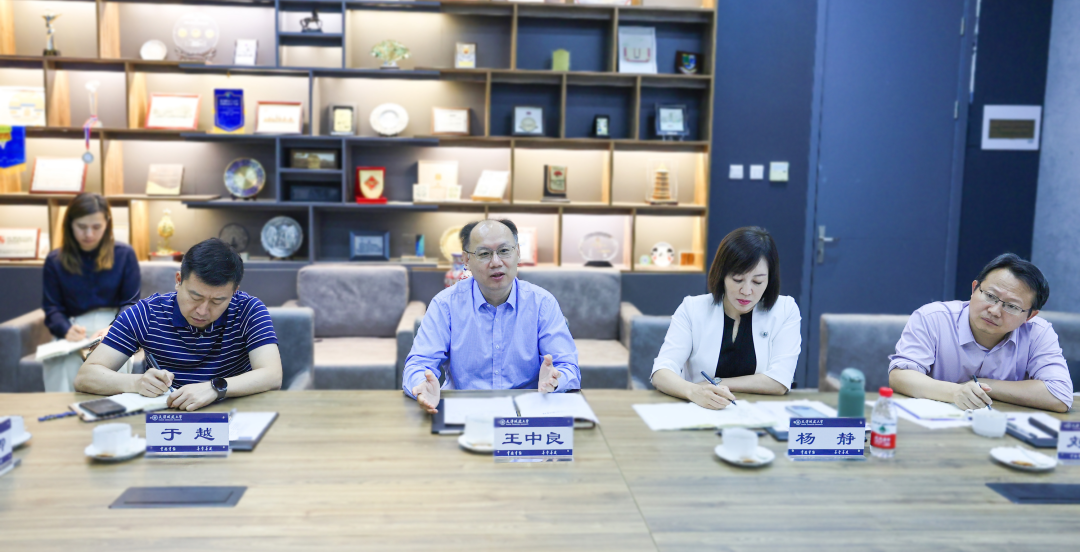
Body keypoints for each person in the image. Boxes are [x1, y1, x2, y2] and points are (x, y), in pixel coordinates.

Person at [75, 238, 282, 411]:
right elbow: (85, 376)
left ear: (234, 292)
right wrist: (136, 382)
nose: (202, 310)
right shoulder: (147, 313)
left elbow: (272, 375)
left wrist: (215, 388)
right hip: (168, 418)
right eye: (195, 297)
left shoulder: (249, 310)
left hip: (233, 414)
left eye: (217, 301)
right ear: (178, 280)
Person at [403, 219, 581, 413]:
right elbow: (418, 364)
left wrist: (555, 381)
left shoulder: (542, 304)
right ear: (466, 260)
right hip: (463, 410)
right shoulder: (445, 305)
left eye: (504, 251)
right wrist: (421, 386)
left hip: (527, 411)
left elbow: (568, 367)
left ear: (518, 253)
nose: (496, 262)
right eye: (484, 254)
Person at [889, 253, 1072, 413]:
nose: (994, 311)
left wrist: (984, 385)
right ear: (974, 289)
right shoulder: (933, 318)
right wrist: (955, 392)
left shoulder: (1038, 333)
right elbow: (900, 376)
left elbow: (1060, 395)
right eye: (990, 296)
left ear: (1030, 316)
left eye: (1011, 306)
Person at [651, 226, 801, 409]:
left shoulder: (785, 310)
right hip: (701, 410)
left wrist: (715, 383)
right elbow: (661, 371)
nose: (746, 291)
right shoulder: (692, 308)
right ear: (721, 275)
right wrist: (693, 391)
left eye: (757, 281)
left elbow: (779, 382)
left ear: (770, 280)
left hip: (758, 412)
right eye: (737, 279)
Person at [41, 193, 140, 392]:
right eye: (82, 226)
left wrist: (113, 329)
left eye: (96, 227)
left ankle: (111, 409)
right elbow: (52, 308)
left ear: (107, 224)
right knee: (62, 362)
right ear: (70, 224)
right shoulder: (55, 260)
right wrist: (66, 329)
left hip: (114, 324)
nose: (89, 234)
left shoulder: (124, 254)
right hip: (74, 327)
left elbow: (130, 303)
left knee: (110, 362)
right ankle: (62, 411)